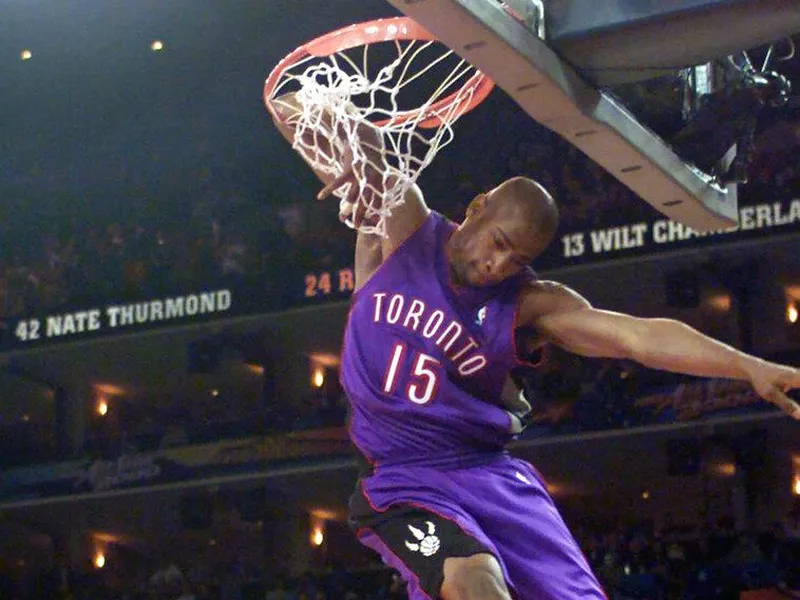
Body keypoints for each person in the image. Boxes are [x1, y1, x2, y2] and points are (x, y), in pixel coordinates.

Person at [270, 93, 800, 600]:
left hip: (488, 472)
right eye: (500, 244)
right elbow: (306, 120)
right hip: (403, 477)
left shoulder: (528, 304)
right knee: (476, 585)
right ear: (478, 209)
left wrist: (747, 366)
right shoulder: (404, 224)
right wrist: (336, 126)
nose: (500, 265)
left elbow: (638, 336)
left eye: (517, 258)